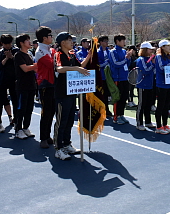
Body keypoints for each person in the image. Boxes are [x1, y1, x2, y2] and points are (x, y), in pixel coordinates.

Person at [53, 32, 91, 160]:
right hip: (61, 93)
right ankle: (58, 148)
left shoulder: (72, 55)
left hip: (71, 93)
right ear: (63, 42)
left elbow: (81, 67)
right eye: (70, 40)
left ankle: (66, 144)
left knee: (69, 120)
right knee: (61, 121)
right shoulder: (58, 54)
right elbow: (59, 69)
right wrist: (75, 68)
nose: (72, 43)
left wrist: (90, 55)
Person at [35, 26, 56, 148]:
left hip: (52, 83)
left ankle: (47, 136)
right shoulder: (40, 51)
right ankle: (43, 137)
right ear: (44, 38)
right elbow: (51, 64)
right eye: (50, 36)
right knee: (46, 112)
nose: (51, 38)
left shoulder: (50, 49)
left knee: (51, 111)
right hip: (44, 84)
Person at [13, 34, 37, 139]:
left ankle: (26, 127)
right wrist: (39, 65)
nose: (29, 42)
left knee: (29, 108)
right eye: (27, 40)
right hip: (22, 86)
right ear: (21, 43)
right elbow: (25, 69)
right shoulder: (18, 55)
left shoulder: (30, 55)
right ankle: (18, 129)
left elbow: (34, 69)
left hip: (32, 85)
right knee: (21, 109)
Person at [0, 34, 19, 128]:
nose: (7, 46)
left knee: (15, 101)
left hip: (14, 80)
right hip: (2, 80)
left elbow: (19, 64)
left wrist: (12, 57)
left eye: (9, 43)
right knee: (0, 101)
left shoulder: (17, 51)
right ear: (2, 43)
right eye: (5, 44)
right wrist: (6, 58)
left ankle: (16, 121)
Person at [108, 34, 132, 124]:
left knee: (124, 97)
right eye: (123, 41)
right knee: (118, 98)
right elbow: (115, 64)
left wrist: (128, 58)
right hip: (117, 78)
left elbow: (127, 64)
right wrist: (126, 59)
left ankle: (121, 115)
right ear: (117, 41)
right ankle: (116, 116)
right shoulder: (113, 52)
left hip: (125, 78)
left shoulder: (123, 51)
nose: (124, 42)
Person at [135, 42, 156, 130]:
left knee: (148, 104)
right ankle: (139, 123)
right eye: (149, 49)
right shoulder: (141, 59)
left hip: (149, 85)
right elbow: (145, 70)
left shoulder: (148, 59)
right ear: (145, 50)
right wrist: (153, 64)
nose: (151, 50)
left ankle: (148, 121)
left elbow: (153, 71)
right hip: (142, 85)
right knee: (141, 104)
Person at [97, 35, 112, 117]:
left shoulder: (109, 51)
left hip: (109, 76)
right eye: (105, 41)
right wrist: (106, 62)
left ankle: (107, 109)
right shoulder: (98, 52)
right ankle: (103, 110)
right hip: (102, 76)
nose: (106, 43)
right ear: (101, 42)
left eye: (107, 41)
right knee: (103, 94)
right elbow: (98, 65)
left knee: (108, 94)